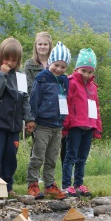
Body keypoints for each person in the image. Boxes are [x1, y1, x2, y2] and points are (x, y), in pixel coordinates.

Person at [0, 37, 35, 194]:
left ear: (18, 61)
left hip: (14, 126)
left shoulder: (20, 77)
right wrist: (2, 75)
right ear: (0, 57)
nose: (9, 63)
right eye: (6, 59)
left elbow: (25, 99)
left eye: (14, 60)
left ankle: (8, 186)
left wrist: (29, 118)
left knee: (10, 157)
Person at [27, 41, 71, 200]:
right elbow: (34, 100)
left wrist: (64, 120)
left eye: (63, 66)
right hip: (43, 125)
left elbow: (65, 100)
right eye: (56, 65)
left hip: (57, 126)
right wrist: (31, 119)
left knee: (52, 157)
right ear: (50, 62)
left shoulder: (65, 81)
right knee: (38, 156)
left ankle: (49, 184)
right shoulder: (42, 79)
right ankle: (32, 183)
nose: (59, 69)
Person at [62, 48, 102, 197]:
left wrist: (97, 126)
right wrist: (65, 125)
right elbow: (67, 103)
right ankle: (66, 184)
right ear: (77, 68)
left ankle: (79, 184)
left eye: (90, 72)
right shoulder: (71, 82)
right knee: (70, 156)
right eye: (83, 70)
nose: (86, 74)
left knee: (82, 158)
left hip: (89, 126)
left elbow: (96, 108)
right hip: (75, 126)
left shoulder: (93, 87)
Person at [24, 31, 52, 96]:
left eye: (45, 44)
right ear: (36, 46)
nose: (42, 47)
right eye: (40, 44)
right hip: (35, 102)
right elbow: (28, 88)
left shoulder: (55, 64)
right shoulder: (29, 65)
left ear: (49, 46)